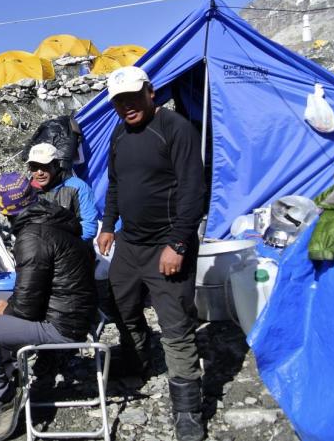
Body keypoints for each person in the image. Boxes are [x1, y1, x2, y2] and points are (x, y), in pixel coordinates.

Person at [96, 66, 206, 441]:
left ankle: (188, 409)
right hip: (130, 243)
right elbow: (115, 184)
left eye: (132, 97)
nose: (127, 106)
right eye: (119, 101)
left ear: (150, 92)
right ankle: (137, 359)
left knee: (175, 327)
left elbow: (194, 191)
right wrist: (108, 225)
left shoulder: (176, 129)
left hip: (167, 243)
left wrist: (178, 244)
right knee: (120, 305)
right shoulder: (119, 133)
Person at [0, 172, 96, 441]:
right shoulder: (50, 217)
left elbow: (27, 306)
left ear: (4, 209)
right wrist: (8, 305)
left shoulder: (32, 236)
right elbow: (34, 287)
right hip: (74, 310)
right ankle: (7, 369)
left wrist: (9, 308)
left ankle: (3, 401)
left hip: (62, 325)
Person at [26, 142, 98, 242]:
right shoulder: (27, 190)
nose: (39, 172)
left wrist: (58, 245)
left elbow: (89, 227)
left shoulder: (77, 187)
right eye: (34, 167)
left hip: (72, 247)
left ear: (56, 165)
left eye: (45, 166)